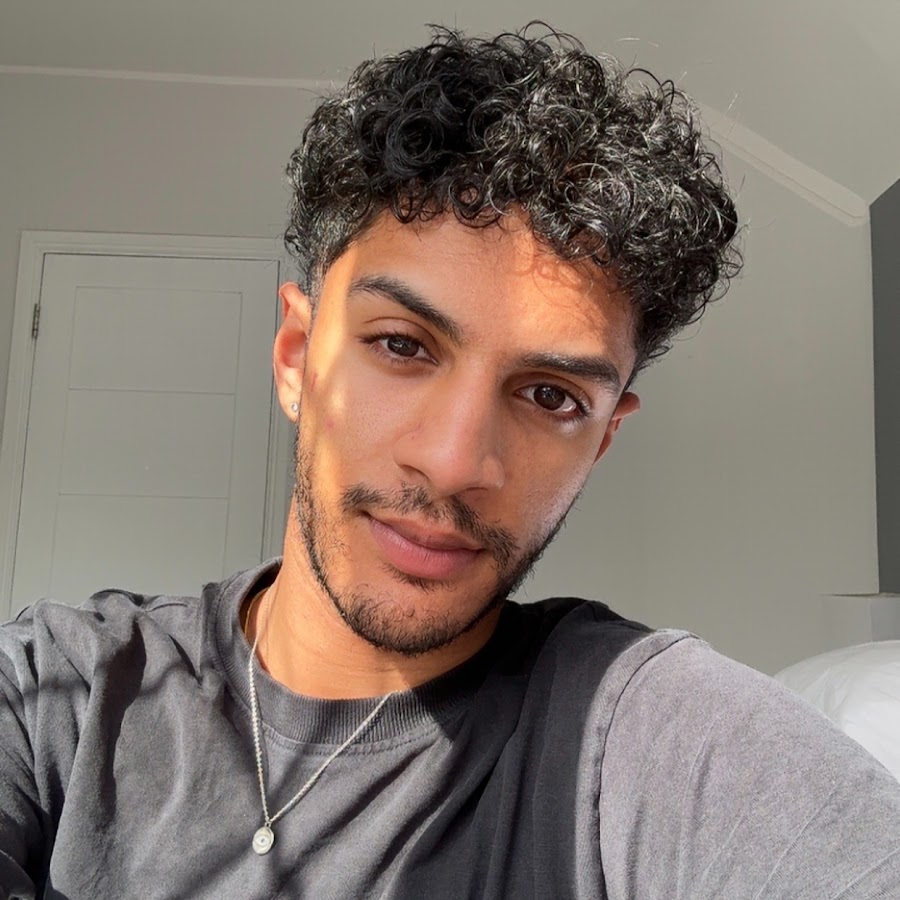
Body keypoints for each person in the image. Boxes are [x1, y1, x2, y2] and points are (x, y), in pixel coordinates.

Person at [1, 25, 899, 900]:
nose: (453, 461)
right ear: (296, 357)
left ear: (601, 438)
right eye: (402, 345)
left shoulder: (641, 736)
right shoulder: (57, 695)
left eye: (549, 395)